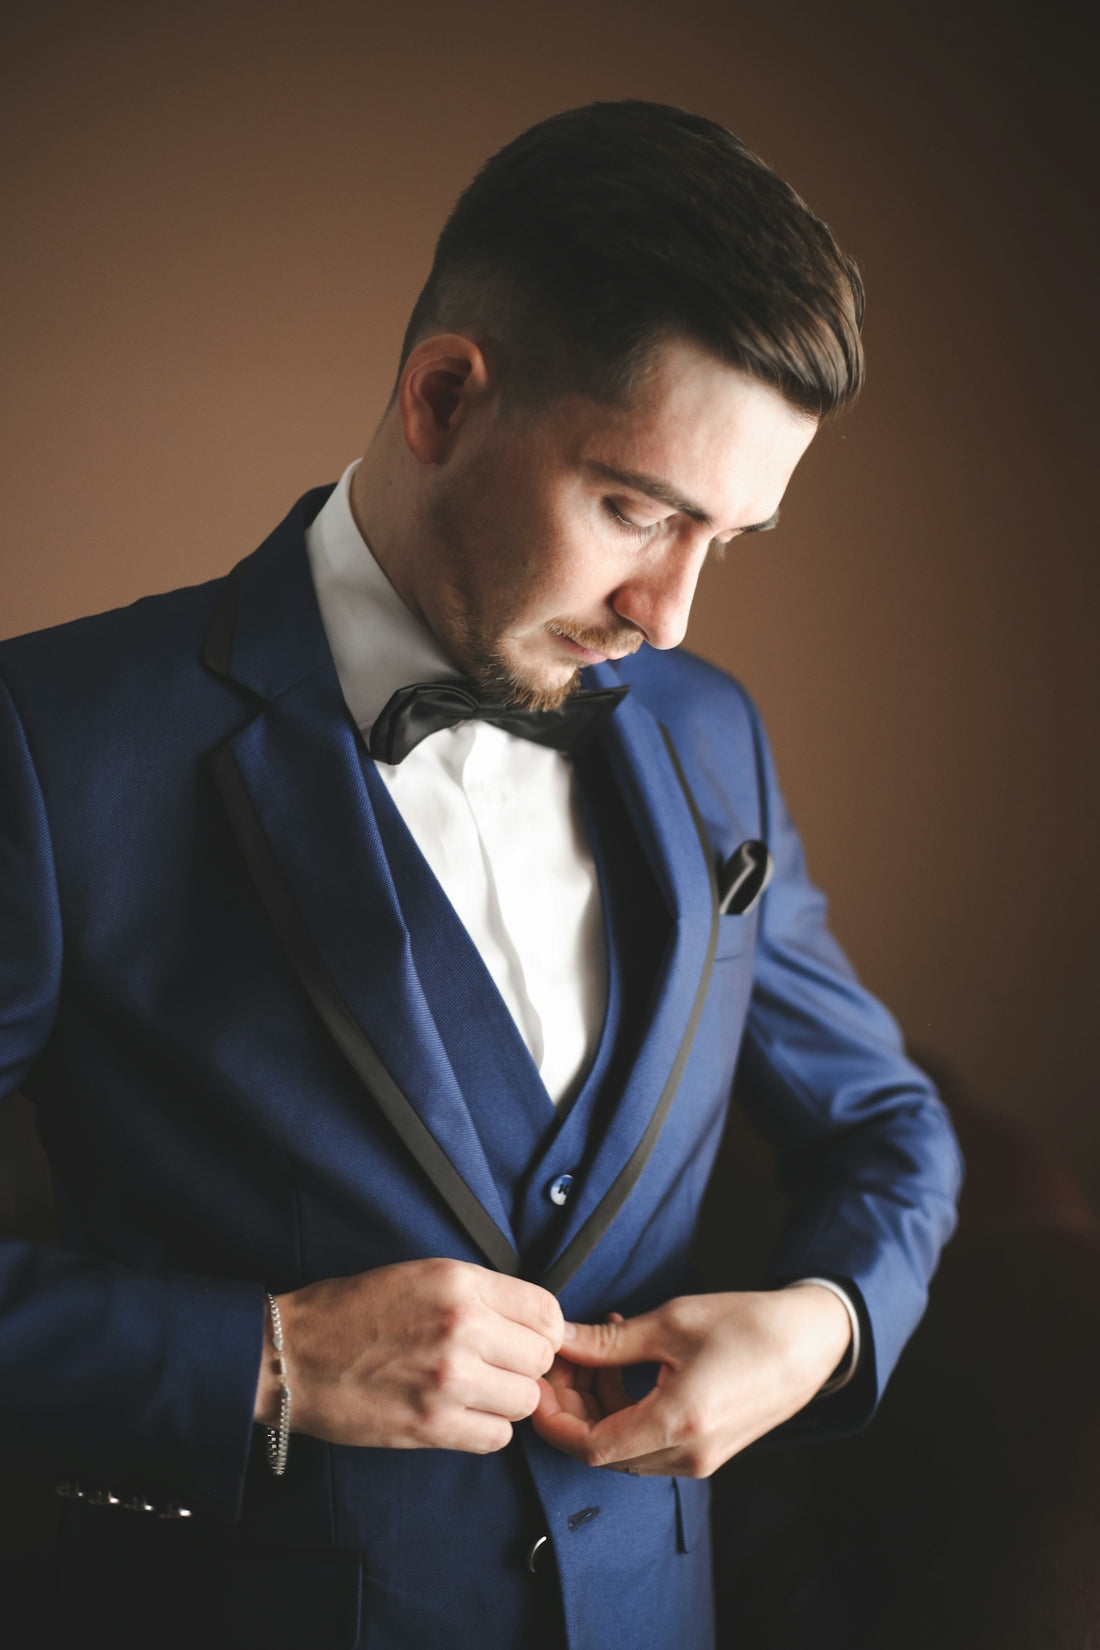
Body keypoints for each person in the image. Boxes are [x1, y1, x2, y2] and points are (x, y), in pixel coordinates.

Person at [0, 101, 962, 1649]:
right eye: (637, 509)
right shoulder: (53, 740)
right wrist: (267, 1360)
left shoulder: (710, 731)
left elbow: (886, 1124)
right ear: (445, 396)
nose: (670, 615)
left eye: (727, 539)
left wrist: (823, 1326)